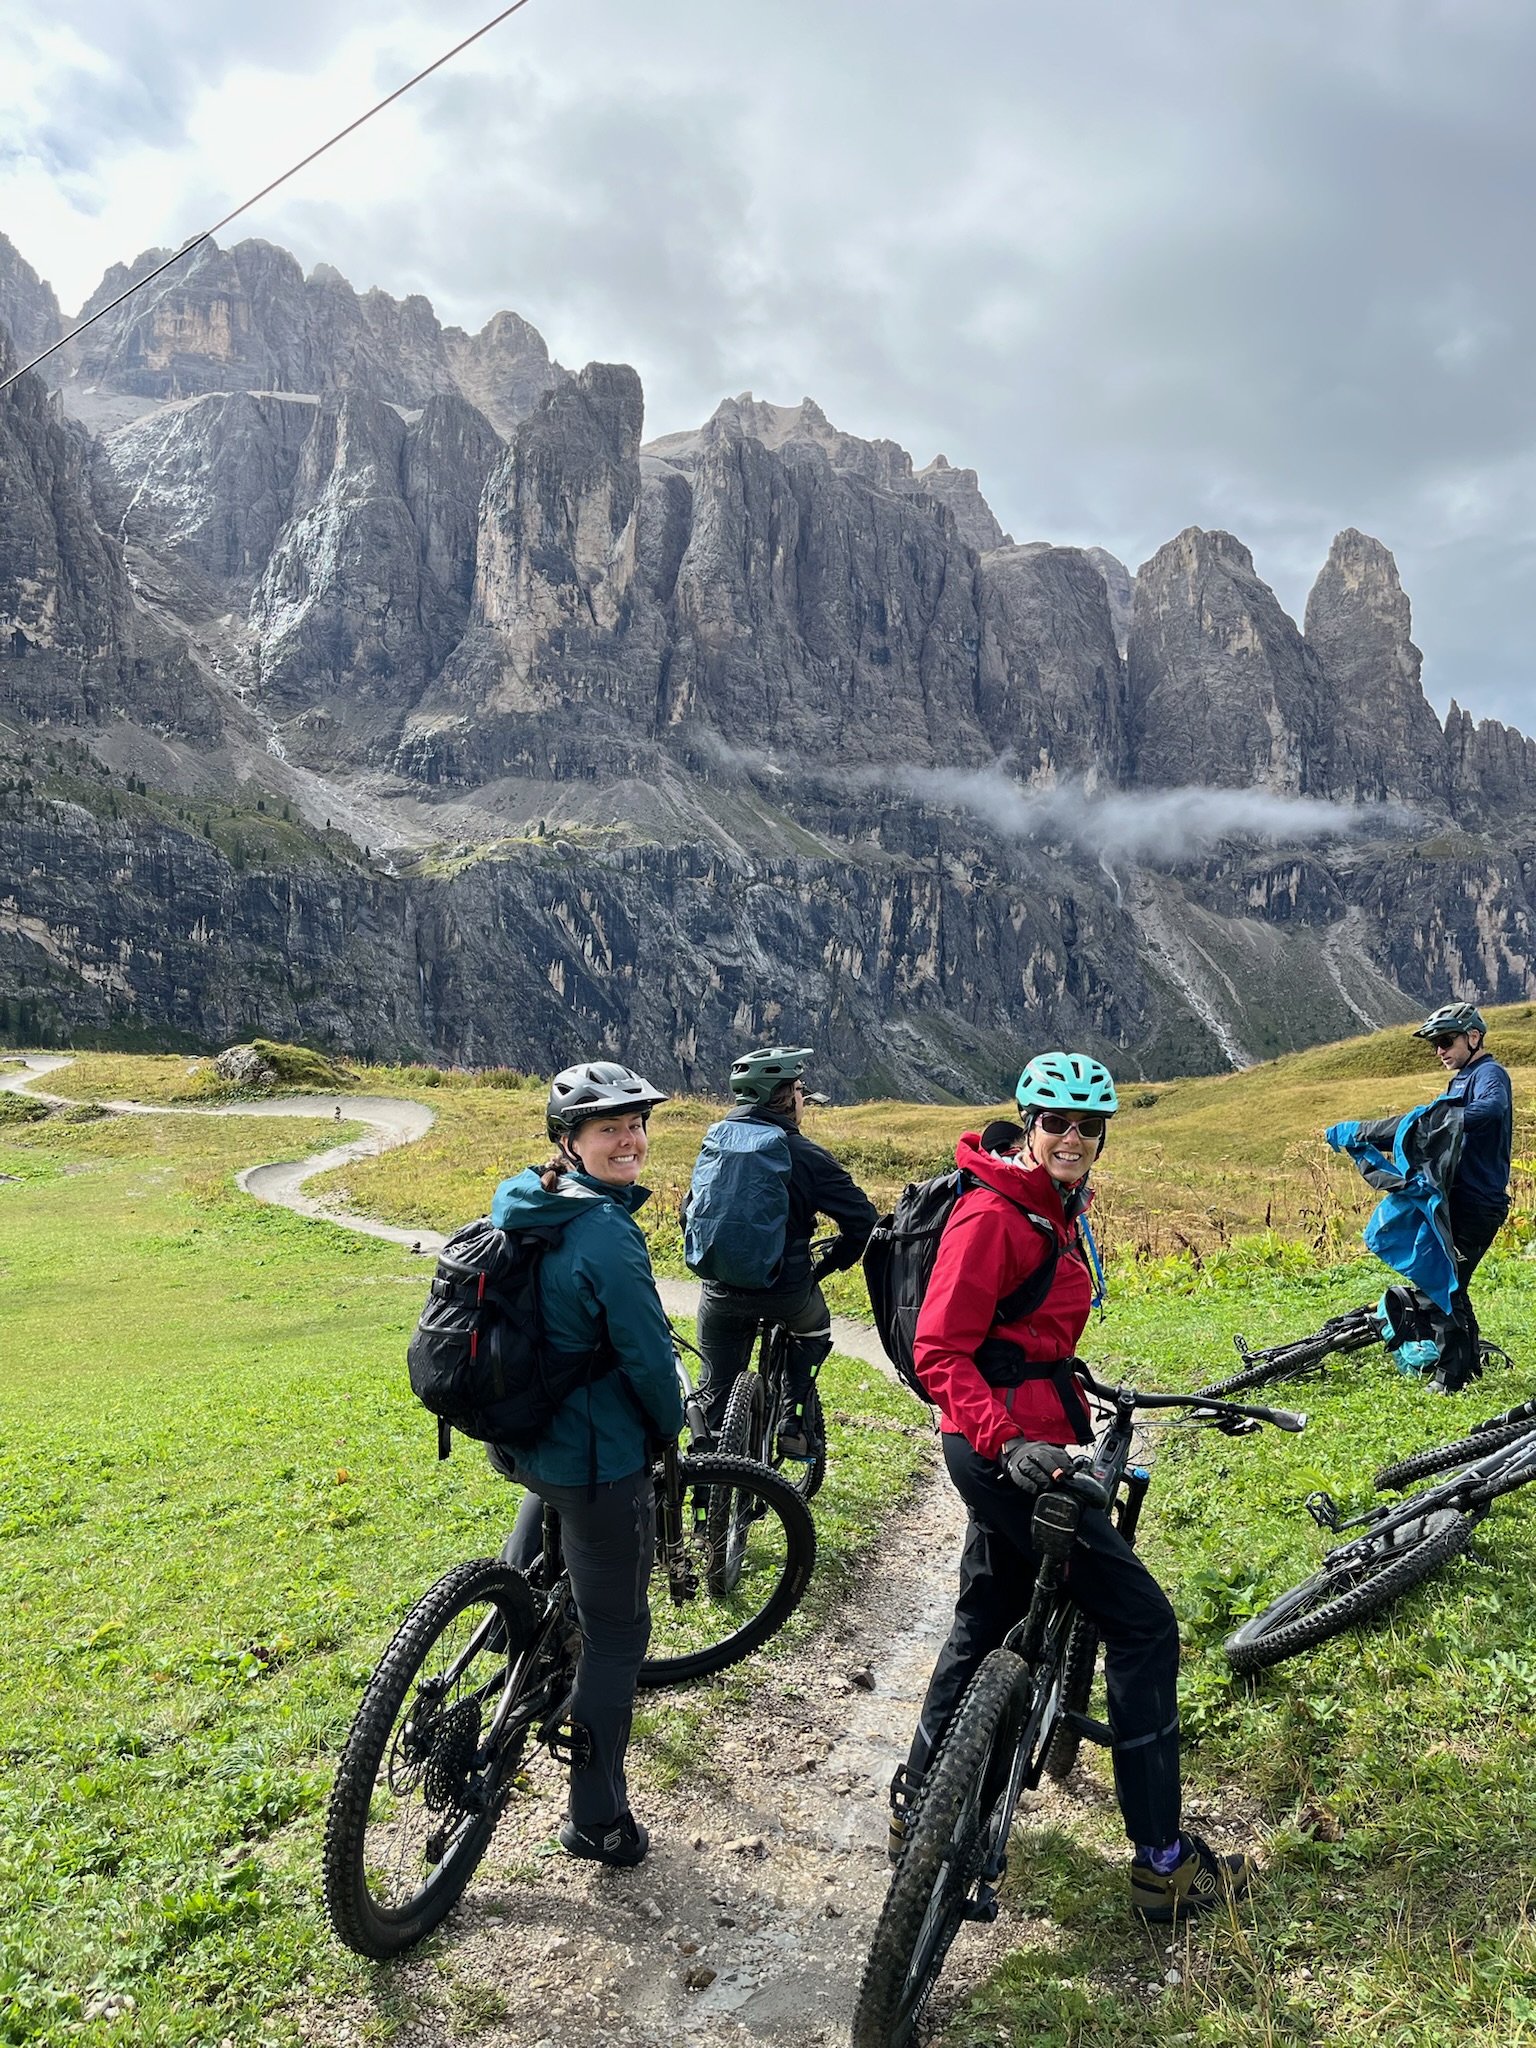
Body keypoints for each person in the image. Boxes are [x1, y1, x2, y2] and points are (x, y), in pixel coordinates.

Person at [890, 1051, 1254, 1921]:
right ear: (1029, 1121)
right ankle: (1164, 1864)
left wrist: (1062, 1378)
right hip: (1007, 1452)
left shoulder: (1052, 1205)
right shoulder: (994, 1216)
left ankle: (920, 1803)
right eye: (1056, 1122)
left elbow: (1019, 1333)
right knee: (1141, 1621)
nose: (1072, 1138)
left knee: (987, 1611)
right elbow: (943, 1351)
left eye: (1089, 1127)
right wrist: (1007, 1436)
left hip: (1029, 1435)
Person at [488, 1060, 684, 1868]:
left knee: (551, 1502)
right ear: (568, 1140)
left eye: (637, 1124)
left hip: (519, 1433)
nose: (631, 1139)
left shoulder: (525, 1197)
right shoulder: (605, 1230)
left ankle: (511, 1633)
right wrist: (673, 1427)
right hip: (592, 1455)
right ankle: (596, 1818)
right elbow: (644, 1353)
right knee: (617, 1635)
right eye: (610, 1128)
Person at [694, 1046, 879, 1460]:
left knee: (714, 1386)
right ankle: (793, 1417)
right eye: (799, 1089)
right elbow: (863, 1223)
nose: (803, 1098)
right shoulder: (805, 1154)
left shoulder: (714, 1143)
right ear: (784, 1097)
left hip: (720, 1290)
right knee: (813, 1329)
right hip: (788, 1288)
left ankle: (706, 1457)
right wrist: (827, 1266)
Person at [1413, 1002, 1513, 1392]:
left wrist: (1439, 1122)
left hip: (1478, 1202)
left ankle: (1452, 1377)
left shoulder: (1489, 1073)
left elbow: (1492, 1109)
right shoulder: (1460, 1079)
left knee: (1440, 1282)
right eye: (1435, 1044)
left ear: (1473, 1037)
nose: (1439, 1050)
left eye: (1446, 1040)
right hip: (1457, 1199)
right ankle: (1466, 1366)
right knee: (1449, 1281)